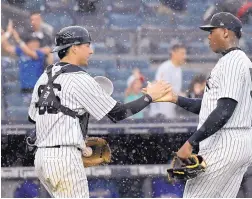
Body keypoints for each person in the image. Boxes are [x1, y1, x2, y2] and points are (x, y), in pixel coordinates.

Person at [28, 25, 171, 198]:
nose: (91, 51)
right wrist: (149, 97)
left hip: (42, 158)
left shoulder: (46, 75)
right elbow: (118, 113)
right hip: (63, 157)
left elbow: (33, 117)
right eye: (87, 45)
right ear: (74, 48)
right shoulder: (79, 78)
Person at [148, 12, 252, 197]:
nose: (208, 36)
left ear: (224, 32)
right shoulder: (240, 61)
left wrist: (191, 143)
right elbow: (210, 106)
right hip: (241, 140)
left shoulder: (231, 62)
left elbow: (224, 111)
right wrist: (175, 99)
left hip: (226, 141)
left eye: (211, 31)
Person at [1, 20, 50, 93]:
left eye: (37, 42)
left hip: (37, 88)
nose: (36, 44)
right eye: (33, 42)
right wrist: (3, 34)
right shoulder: (21, 50)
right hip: (24, 87)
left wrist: (17, 39)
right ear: (28, 43)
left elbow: (30, 53)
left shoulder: (40, 52)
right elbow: (7, 48)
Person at [149, 44, 186, 119]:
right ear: (173, 53)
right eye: (182, 53)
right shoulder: (165, 68)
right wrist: (181, 96)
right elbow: (162, 88)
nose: (184, 56)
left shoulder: (179, 69)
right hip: (161, 111)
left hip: (171, 109)